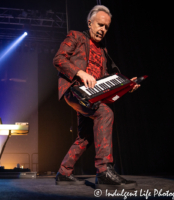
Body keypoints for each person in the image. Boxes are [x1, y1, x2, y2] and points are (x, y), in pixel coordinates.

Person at [53, 5, 140, 189]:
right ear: (90, 23)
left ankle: (64, 172)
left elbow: (107, 79)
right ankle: (104, 170)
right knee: (105, 113)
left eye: (106, 27)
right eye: (100, 25)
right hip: (75, 90)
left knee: (85, 136)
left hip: (93, 95)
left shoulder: (103, 51)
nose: (103, 30)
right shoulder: (76, 36)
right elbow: (59, 59)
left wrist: (127, 85)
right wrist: (79, 73)